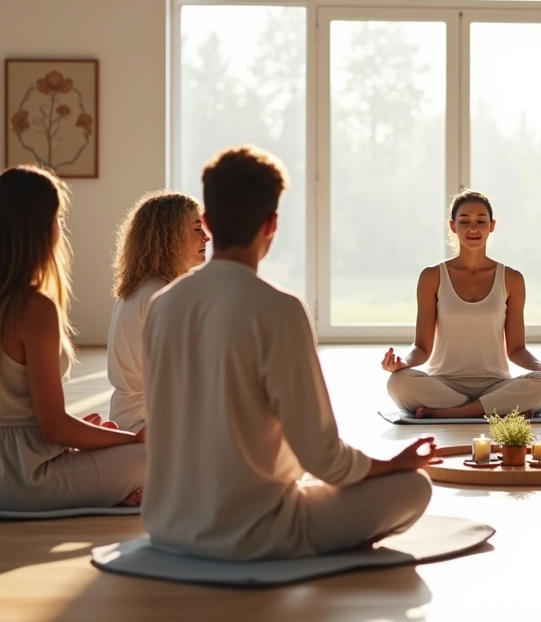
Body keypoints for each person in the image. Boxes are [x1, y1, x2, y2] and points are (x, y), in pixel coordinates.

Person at [141, 145, 436, 561]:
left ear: (207, 222)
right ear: (271, 224)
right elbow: (324, 458)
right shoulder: (279, 308)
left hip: (167, 526)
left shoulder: (163, 304)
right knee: (414, 487)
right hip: (255, 533)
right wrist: (394, 463)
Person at [0, 165, 145, 511]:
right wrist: (133, 439)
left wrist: (87, 436)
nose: (61, 229)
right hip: (21, 478)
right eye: (58, 218)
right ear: (40, 227)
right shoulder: (35, 307)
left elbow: (30, 419)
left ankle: (121, 488)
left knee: (110, 439)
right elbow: (54, 426)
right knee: (153, 456)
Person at [383, 189, 541, 419]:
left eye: (481, 221)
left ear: (492, 225)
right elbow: (421, 348)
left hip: (496, 385)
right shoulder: (432, 276)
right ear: (453, 226)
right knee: (398, 382)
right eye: (465, 221)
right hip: (445, 386)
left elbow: (516, 349)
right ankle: (493, 409)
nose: (473, 228)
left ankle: (450, 413)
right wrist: (402, 363)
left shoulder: (511, 279)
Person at [106, 191, 208, 433]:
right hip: (149, 429)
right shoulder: (160, 295)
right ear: (170, 236)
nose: (206, 237)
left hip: (133, 420)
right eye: (197, 229)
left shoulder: (146, 287)